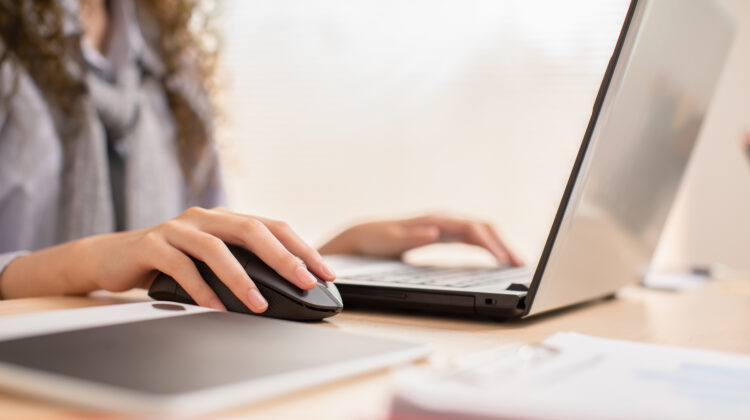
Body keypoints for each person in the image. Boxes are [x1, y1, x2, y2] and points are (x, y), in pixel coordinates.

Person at [0, 0, 520, 314]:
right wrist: (88, 263)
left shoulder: (169, 57)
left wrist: (332, 258)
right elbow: (140, 252)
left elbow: (204, 254)